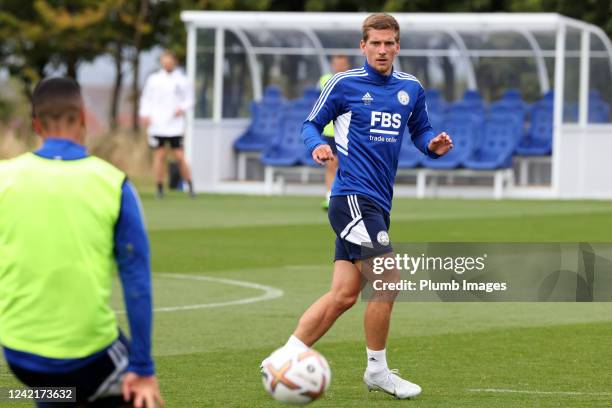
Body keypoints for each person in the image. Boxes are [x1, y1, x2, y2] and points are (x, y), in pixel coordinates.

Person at [263, 13, 453, 399]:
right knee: (388, 281)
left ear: (398, 46)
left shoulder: (410, 89)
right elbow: (310, 124)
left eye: (389, 43)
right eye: (375, 43)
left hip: (378, 204)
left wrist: (432, 146)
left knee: (344, 295)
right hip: (351, 197)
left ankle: (283, 358)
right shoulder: (344, 84)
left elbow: (420, 130)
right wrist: (316, 144)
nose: (383, 50)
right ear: (363, 46)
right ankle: (377, 371)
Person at [0, 77, 163, 408]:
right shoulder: (114, 185)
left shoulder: (5, 178)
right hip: (85, 357)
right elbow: (137, 285)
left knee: (58, 392)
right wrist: (143, 368)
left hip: (18, 355)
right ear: (84, 120)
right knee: (142, 398)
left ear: (36, 125)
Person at [140, 50, 195, 198]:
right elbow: (146, 98)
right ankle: (159, 187)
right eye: (165, 61)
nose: (167, 64)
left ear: (174, 62)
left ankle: (189, 186)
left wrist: (181, 109)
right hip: (158, 124)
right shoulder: (154, 79)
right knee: (159, 155)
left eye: (170, 61)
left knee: (179, 156)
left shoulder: (182, 80)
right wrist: (145, 115)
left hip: (175, 125)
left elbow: (189, 100)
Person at [318, 55, 352, 210]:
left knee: (346, 166)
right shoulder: (326, 79)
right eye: (336, 64)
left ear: (347, 65)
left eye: (342, 64)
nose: (339, 67)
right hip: (330, 130)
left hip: (347, 131)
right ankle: (330, 196)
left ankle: (345, 196)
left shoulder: (353, 80)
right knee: (331, 165)